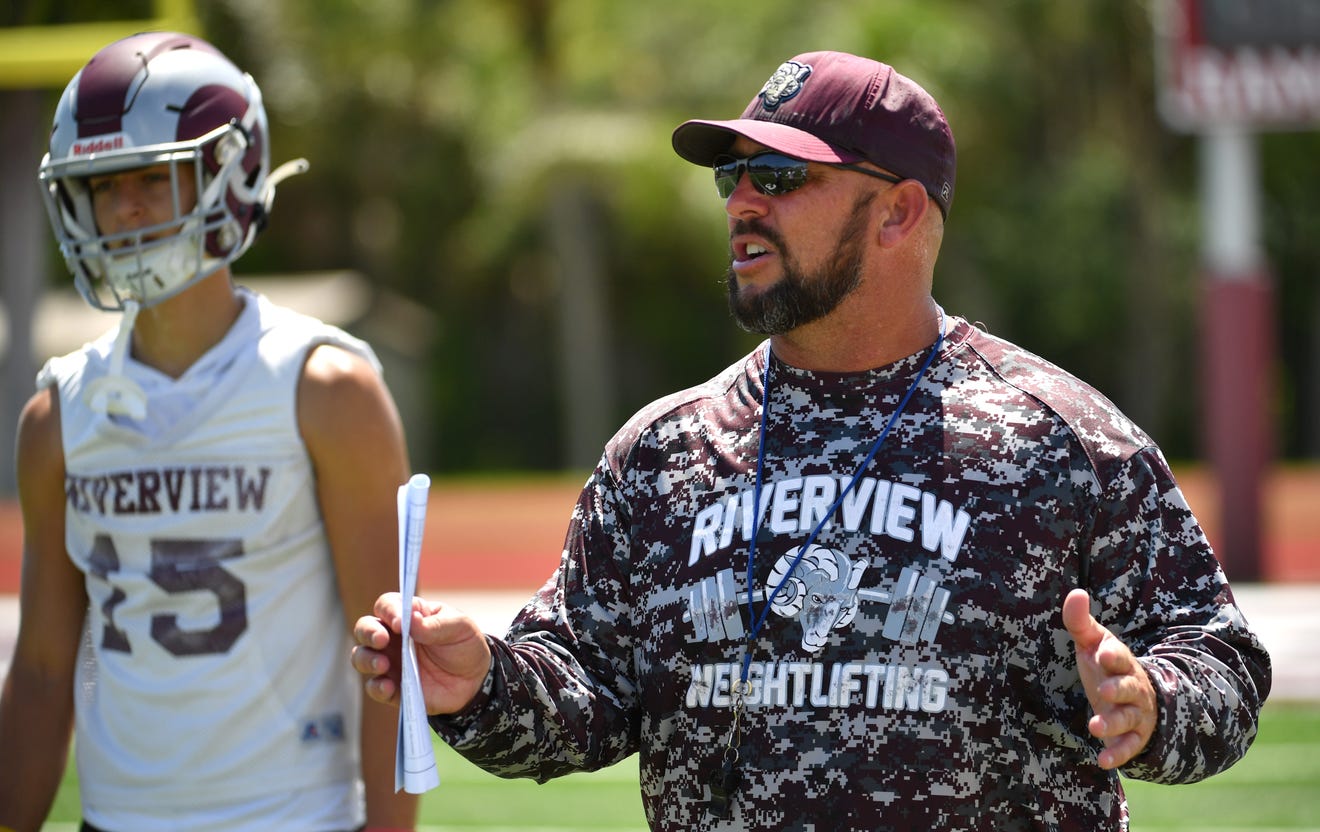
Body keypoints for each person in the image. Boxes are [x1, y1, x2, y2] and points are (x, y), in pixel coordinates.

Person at [351, 50, 1271, 830]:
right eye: (732, 175)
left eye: (781, 177)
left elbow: (1222, 664)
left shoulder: (1062, 442)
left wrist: (1154, 704)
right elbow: (587, 691)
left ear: (898, 213)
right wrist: (482, 686)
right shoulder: (663, 452)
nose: (740, 203)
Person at [0, 32, 418, 832]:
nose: (123, 207)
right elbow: (46, 668)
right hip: (118, 818)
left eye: (153, 177)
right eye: (103, 182)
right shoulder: (58, 416)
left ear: (231, 172)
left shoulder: (326, 390)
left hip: (290, 817)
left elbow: (392, 658)